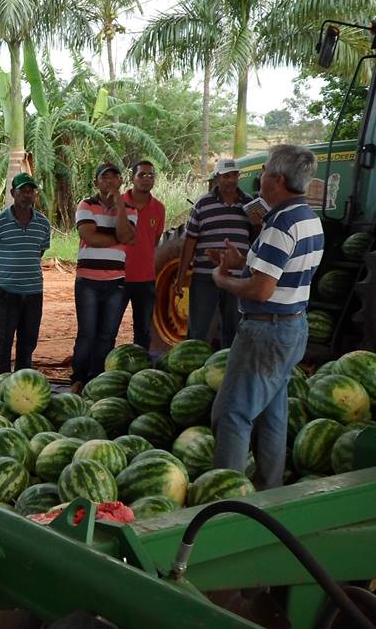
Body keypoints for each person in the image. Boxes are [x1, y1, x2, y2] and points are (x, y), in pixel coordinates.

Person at [210, 145, 323, 489]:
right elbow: (282, 267)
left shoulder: (280, 224)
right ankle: (269, 491)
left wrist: (223, 278)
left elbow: (261, 290)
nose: (259, 178)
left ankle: (226, 498)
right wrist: (243, 260)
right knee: (273, 415)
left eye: (263, 172)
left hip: (266, 332)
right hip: (293, 328)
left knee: (232, 414)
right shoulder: (307, 218)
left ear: (276, 179)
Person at [175, 158, 256, 349]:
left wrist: (258, 223)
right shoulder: (202, 204)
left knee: (234, 330)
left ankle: (228, 372)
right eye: (226, 176)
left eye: (234, 175)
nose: (231, 180)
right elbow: (190, 242)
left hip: (237, 279)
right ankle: (193, 370)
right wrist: (180, 277)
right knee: (198, 330)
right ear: (217, 178)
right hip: (205, 277)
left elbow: (257, 241)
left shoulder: (249, 204)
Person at [70, 163, 137, 391]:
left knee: (107, 336)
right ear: (97, 182)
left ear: (120, 182)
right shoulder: (86, 205)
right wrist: (119, 239)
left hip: (116, 282)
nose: (109, 181)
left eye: (114, 177)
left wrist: (119, 207)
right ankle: (78, 379)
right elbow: (90, 237)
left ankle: (97, 381)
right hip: (87, 281)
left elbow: (127, 234)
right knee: (87, 334)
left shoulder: (129, 208)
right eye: (104, 177)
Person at [0, 172, 51, 376]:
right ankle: (0, 380)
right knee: (2, 340)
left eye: (31, 191)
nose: (27, 195)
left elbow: (39, 251)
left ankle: (23, 378)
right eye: (22, 191)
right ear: (13, 193)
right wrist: (1, 275)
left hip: (33, 291)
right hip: (6, 292)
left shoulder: (43, 224)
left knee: (28, 340)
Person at [120, 161, 165, 351]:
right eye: (142, 175)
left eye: (150, 175)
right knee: (108, 329)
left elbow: (154, 240)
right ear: (132, 178)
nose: (147, 179)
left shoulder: (159, 208)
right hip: (118, 277)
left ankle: (140, 370)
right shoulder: (118, 203)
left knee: (143, 332)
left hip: (145, 279)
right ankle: (99, 372)